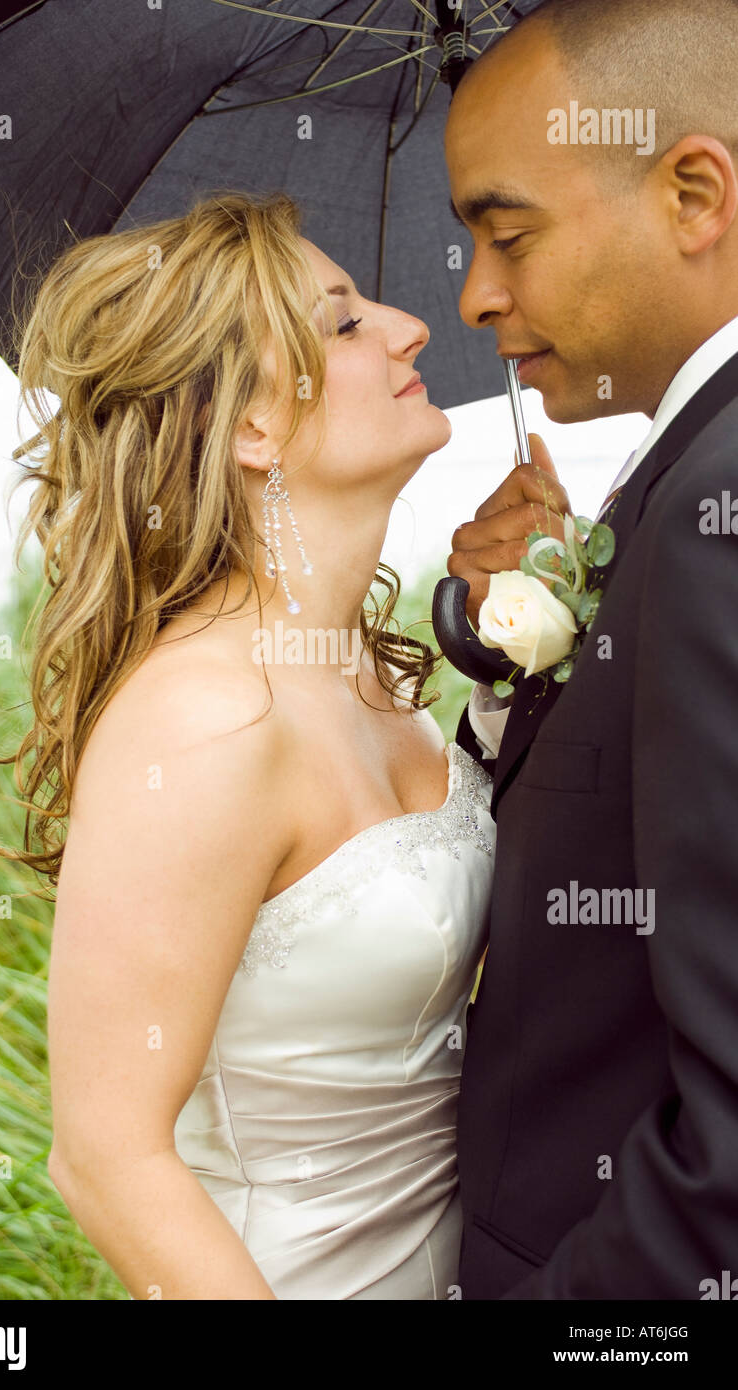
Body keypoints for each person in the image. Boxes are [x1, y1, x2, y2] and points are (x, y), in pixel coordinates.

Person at [0, 192, 496, 1299]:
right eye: (345, 323)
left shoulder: (362, 669)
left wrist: (507, 641)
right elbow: (105, 1160)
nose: (411, 325)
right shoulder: (202, 722)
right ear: (252, 428)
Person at [443, 0, 738, 1297]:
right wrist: (503, 640)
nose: (470, 296)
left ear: (690, 193)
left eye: (505, 235)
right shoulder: (678, 477)